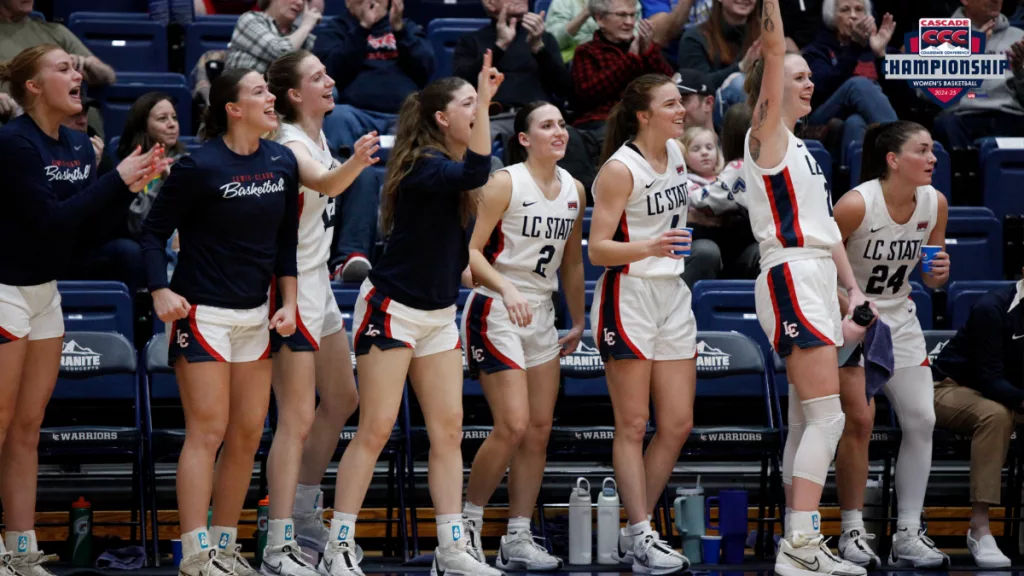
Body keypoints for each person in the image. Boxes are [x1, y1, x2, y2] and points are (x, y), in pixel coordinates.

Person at [140, 65, 374, 576]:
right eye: (259, 91)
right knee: (209, 431)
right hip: (203, 312)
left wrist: (288, 301)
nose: (271, 97)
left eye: (270, 90)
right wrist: (160, 289)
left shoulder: (280, 160)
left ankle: (225, 547)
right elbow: (152, 233)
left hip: (256, 313)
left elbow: (285, 243)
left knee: (247, 434)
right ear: (233, 108)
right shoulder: (199, 165)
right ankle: (195, 552)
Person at [315, 54, 503, 576]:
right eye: (467, 104)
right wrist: (486, 102)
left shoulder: (456, 168)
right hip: (391, 309)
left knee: (448, 431)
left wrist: (503, 286)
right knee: (374, 429)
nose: (478, 110)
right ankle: (338, 546)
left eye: (479, 103)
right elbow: (476, 170)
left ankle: (450, 548)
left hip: (440, 313)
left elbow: (458, 255)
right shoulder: (425, 163)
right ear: (443, 118)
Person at [0, 44, 167, 576]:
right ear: (32, 86)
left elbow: (86, 231)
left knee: (28, 428)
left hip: (46, 290)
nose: (77, 74)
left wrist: (124, 188)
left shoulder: (77, 143)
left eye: (78, 67)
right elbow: (48, 222)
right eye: (64, 68)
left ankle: (21, 550)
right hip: (3, 287)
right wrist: (115, 180)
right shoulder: (13, 144)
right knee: (1, 424)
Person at [740, 1, 868, 574]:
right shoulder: (764, 135)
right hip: (789, 273)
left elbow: (827, 232)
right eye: (799, 74)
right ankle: (800, 544)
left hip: (814, 275)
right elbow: (771, 49)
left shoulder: (805, 151)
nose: (810, 79)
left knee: (809, 420)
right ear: (771, 87)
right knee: (828, 418)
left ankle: (801, 545)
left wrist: (852, 290)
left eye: (810, 74)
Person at [262, 50, 378, 575]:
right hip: (286, 286)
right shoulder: (288, 142)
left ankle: (306, 514)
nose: (330, 80)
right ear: (293, 95)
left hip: (317, 286)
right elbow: (328, 185)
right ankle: (277, 541)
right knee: (296, 418)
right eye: (317, 78)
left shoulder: (317, 136)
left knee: (344, 397)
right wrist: (358, 161)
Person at [459, 101, 586, 571]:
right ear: (525, 138)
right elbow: (470, 253)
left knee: (538, 430)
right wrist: (506, 286)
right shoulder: (504, 182)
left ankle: (516, 536)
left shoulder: (574, 188)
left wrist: (578, 318)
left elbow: (572, 260)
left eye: (562, 124)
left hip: (541, 313)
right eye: (547, 125)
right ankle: (465, 530)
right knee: (511, 425)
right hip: (496, 306)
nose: (559, 131)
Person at [587, 73, 694, 575]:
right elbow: (597, 249)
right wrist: (649, 247)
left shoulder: (675, 154)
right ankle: (642, 533)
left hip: (672, 293)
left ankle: (636, 531)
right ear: (643, 114)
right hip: (627, 292)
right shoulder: (618, 169)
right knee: (633, 423)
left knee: (676, 424)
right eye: (672, 104)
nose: (682, 110)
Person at [831, 120, 949, 569]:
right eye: (923, 150)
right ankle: (852, 531)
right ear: (893, 159)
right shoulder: (856, 205)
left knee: (922, 418)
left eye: (934, 150)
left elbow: (933, 275)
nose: (933, 158)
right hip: (853, 321)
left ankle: (907, 532)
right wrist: (854, 307)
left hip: (900, 318)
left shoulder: (934, 203)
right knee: (859, 424)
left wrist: (938, 276)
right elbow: (819, 268)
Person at [315, 0, 435, 282]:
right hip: (356, 116)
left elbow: (426, 69)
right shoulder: (336, 29)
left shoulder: (407, 29)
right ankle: (345, 175)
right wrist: (363, 29)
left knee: (426, 118)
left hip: (401, 117)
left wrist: (399, 30)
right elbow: (330, 73)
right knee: (337, 115)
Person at [931, 277, 1022, 568]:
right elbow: (990, 379)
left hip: (1007, 395)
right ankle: (979, 528)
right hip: (949, 387)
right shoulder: (992, 308)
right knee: (994, 416)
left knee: (999, 410)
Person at [225, 0, 321, 74]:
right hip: (242, 96)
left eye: (304, 0)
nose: (300, 2)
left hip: (282, 97)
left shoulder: (304, 36)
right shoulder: (250, 19)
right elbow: (280, 53)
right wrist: (306, 26)